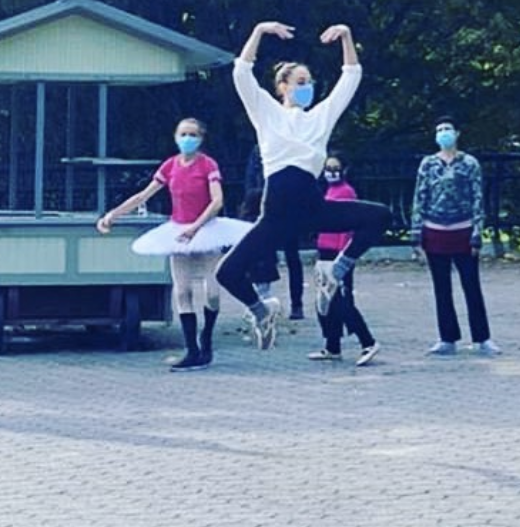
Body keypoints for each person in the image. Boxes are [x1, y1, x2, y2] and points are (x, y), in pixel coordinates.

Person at [215, 20, 393, 351]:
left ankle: (335, 272)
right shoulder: (266, 112)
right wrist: (258, 31)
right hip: (276, 213)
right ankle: (261, 312)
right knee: (227, 273)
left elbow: (351, 77)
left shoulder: (320, 117)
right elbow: (241, 72)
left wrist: (347, 36)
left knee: (380, 216)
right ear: (282, 86)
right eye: (300, 81)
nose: (306, 87)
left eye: (310, 82)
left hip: (312, 207)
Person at [97, 118, 247, 371]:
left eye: (193, 134)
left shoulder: (207, 164)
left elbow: (217, 200)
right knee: (182, 290)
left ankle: (206, 337)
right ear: (176, 137)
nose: (187, 139)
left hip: (206, 230)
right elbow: (144, 195)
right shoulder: (170, 166)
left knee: (211, 290)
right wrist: (113, 214)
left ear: (201, 138)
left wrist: (196, 227)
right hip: (178, 231)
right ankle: (192, 350)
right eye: (183, 134)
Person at [410, 117, 500, 356]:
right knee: (441, 288)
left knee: (471, 285)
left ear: (457, 133)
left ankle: (482, 337)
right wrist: (416, 235)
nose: (443, 133)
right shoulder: (428, 164)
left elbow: (477, 197)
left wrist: (477, 233)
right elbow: (420, 197)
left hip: (463, 230)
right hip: (435, 231)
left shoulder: (469, 163)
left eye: (447, 129)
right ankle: (447, 338)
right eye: (439, 129)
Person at [308, 151, 381, 366]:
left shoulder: (346, 192)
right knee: (325, 301)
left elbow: (347, 226)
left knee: (339, 301)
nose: (331, 173)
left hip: (338, 253)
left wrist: (343, 256)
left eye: (335, 168)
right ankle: (332, 346)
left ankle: (367, 341)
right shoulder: (328, 191)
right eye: (327, 169)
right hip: (324, 249)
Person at [246, 144, 305, 319]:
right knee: (263, 256)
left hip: (288, 211)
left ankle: (296, 304)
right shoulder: (259, 150)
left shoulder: (290, 150)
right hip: (264, 209)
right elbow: (250, 183)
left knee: (292, 258)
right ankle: (263, 300)